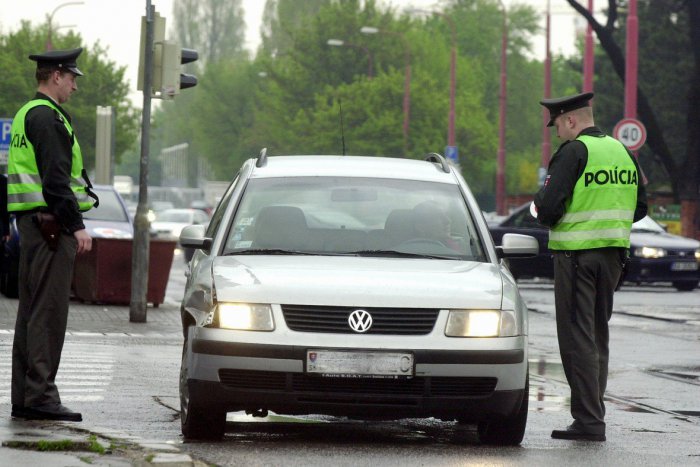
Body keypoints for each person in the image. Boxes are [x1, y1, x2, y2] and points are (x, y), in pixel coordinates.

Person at [534, 92, 647, 442]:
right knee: (598, 336)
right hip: (612, 258)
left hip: (576, 257)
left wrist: (541, 208)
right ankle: (592, 414)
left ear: (570, 120)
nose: (557, 133)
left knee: (576, 338)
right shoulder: (622, 152)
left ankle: (588, 421)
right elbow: (640, 207)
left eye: (558, 126)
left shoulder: (573, 151)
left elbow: (549, 207)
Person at [7, 47, 98, 422]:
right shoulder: (48, 118)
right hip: (50, 227)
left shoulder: (27, 113)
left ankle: (26, 397)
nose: (75, 86)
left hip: (33, 227)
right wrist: (77, 225)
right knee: (48, 313)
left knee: (31, 312)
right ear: (56, 75)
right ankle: (41, 396)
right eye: (72, 78)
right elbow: (57, 181)